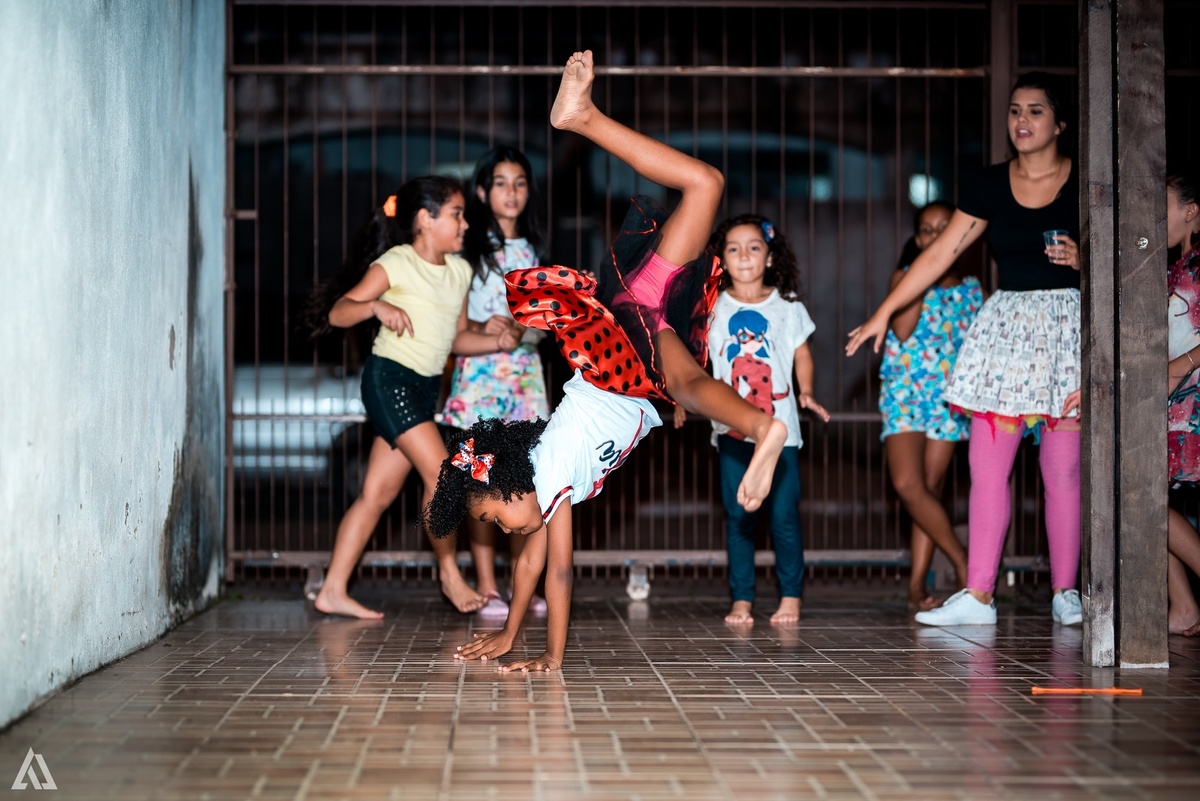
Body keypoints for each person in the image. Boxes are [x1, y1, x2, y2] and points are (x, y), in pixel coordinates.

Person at [425, 50, 789, 672]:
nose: (512, 532)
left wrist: (553, 658)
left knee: (682, 378)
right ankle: (583, 117)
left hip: (618, 362)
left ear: (505, 483)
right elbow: (533, 566)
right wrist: (512, 637)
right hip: (641, 361)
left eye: (497, 518)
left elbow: (556, 574)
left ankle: (764, 428)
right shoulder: (541, 493)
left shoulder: (550, 474)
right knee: (707, 186)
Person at [846, 71, 1083, 627]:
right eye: (1015, 111)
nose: (1022, 121)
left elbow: (1127, 258)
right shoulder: (987, 184)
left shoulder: (1086, 182)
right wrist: (882, 311)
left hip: (1068, 330)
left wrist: (1086, 260)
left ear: (1060, 124)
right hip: (1005, 332)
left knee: (1062, 470)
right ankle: (977, 596)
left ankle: (1066, 593)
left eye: (1036, 112)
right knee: (986, 467)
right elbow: (936, 255)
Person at [303, 176, 520, 619]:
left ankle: (332, 590)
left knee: (377, 494)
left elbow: (456, 338)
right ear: (426, 219)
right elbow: (339, 312)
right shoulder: (395, 263)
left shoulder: (459, 271)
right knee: (443, 476)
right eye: (456, 214)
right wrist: (374, 306)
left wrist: (495, 340)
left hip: (422, 391)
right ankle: (448, 573)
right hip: (389, 380)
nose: (464, 225)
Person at [679, 213, 828, 626]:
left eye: (754, 247)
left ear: (769, 256)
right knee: (739, 515)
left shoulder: (788, 306)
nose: (744, 254)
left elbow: (802, 354)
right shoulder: (711, 308)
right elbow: (694, 363)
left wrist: (808, 393)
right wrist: (678, 400)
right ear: (720, 260)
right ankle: (742, 599)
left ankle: (791, 597)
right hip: (731, 432)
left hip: (783, 434)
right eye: (733, 248)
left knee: (783, 516)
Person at [439, 146, 551, 618]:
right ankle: (487, 585)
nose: (512, 192)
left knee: (525, 482)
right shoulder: (467, 251)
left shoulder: (533, 251)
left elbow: (548, 324)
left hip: (523, 383)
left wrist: (525, 330)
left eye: (520, 182)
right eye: (501, 182)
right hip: (479, 384)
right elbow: (452, 327)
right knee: (480, 482)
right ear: (483, 191)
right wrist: (490, 332)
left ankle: (521, 581)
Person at [878, 201, 982, 612]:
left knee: (931, 490)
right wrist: (925, 273)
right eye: (926, 231)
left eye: (944, 228)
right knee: (908, 484)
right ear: (916, 239)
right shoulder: (903, 279)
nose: (935, 237)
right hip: (905, 393)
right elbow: (901, 329)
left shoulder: (974, 289)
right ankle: (962, 559)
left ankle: (917, 585)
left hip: (950, 400)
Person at [1165, 168, 1200, 636]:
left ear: (1191, 212)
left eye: (1163, 206)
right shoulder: (1175, 267)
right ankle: (1185, 608)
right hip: (1175, 404)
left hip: (1192, 403)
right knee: (1143, 501)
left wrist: (1182, 364)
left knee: (1145, 502)